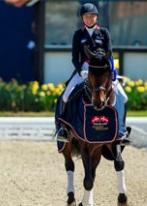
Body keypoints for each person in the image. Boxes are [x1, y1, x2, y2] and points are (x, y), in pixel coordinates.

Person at [56, 3, 130, 144]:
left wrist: (111, 71)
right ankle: (64, 129)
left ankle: (122, 131)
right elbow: (74, 57)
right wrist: (81, 70)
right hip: (84, 69)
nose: (89, 19)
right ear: (82, 18)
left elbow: (110, 54)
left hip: (103, 71)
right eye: (86, 16)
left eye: (92, 16)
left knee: (124, 97)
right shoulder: (78, 35)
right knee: (66, 96)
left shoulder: (104, 33)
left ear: (96, 17)